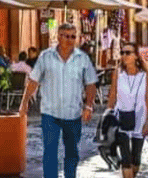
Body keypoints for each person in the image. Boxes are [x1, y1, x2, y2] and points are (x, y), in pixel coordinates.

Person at [19, 23, 97, 178]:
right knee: (50, 152)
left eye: (73, 36)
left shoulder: (83, 59)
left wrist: (89, 106)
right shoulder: (45, 57)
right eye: (66, 36)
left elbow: (91, 84)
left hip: (73, 112)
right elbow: (33, 81)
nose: (70, 40)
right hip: (50, 113)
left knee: (72, 152)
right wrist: (24, 101)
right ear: (58, 37)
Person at [107, 42, 148, 178]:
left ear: (136, 56)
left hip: (140, 117)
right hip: (121, 116)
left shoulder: (146, 75)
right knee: (125, 158)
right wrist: (107, 116)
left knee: (136, 158)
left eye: (128, 53)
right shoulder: (118, 73)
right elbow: (112, 95)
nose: (124, 56)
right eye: (122, 53)